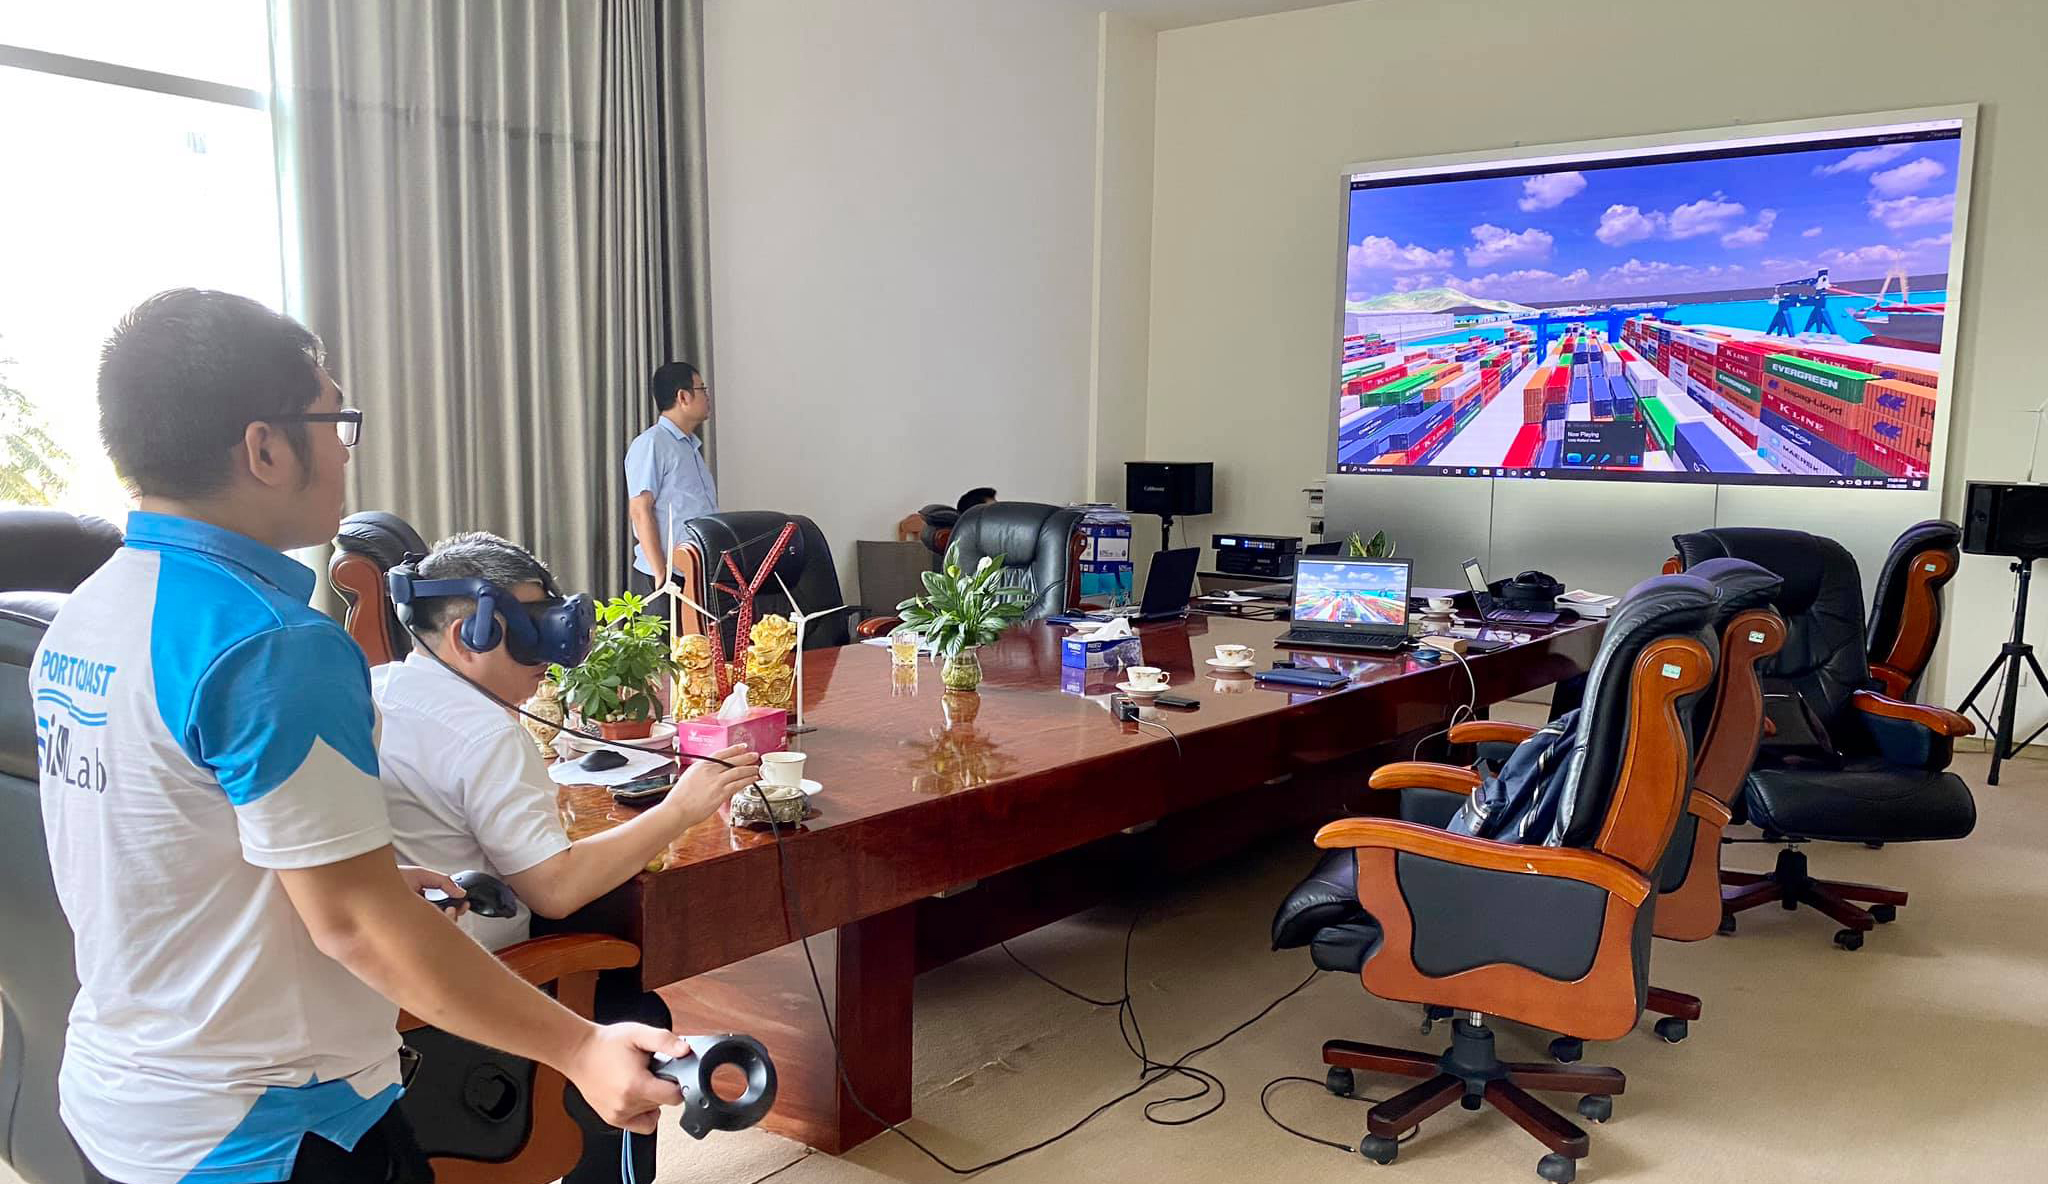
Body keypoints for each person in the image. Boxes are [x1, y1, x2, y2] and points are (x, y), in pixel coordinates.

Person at [31, 289, 690, 1184]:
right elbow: (355, 926)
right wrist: (579, 1048)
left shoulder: (80, 618)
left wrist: (366, 868)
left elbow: (161, 834)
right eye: (333, 416)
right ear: (264, 447)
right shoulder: (271, 644)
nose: (345, 448)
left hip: (117, 1101)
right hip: (268, 1129)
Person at [372, 530, 760, 1182]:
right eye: (534, 630)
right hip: (483, 987)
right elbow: (554, 887)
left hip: (399, 982)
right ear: (471, 630)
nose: (550, 658)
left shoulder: (380, 687)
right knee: (636, 1007)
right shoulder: (485, 735)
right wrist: (681, 809)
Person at [624, 361, 717, 596]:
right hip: (665, 577)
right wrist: (661, 575)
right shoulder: (652, 443)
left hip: (693, 573)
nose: (707, 397)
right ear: (683, 397)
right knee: (664, 634)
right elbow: (639, 510)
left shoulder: (689, 448)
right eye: (702, 389)